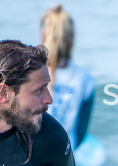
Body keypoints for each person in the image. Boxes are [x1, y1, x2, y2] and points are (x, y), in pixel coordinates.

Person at [40, 5, 96, 152]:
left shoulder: (31, 72)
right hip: (65, 156)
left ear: (43, 34)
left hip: (32, 155)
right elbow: (81, 132)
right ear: (71, 37)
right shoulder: (85, 79)